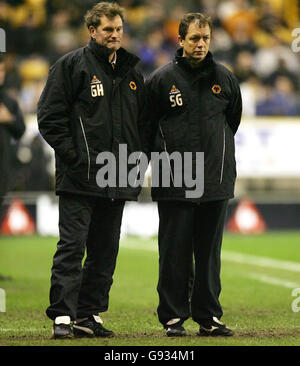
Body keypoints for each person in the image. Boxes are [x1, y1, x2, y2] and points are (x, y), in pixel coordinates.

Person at [37, 2, 146, 339]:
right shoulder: (71, 66)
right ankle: (63, 317)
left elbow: (141, 123)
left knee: (105, 249)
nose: (114, 35)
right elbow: (49, 118)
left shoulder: (131, 72)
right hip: (80, 176)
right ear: (92, 31)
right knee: (72, 246)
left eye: (118, 29)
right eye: (107, 30)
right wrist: (76, 158)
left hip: (118, 176)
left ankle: (88, 314)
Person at [145, 13, 242, 337]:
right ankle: (173, 318)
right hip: (174, 179)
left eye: (205, 39)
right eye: (194, 39)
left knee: (209, 254)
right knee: (174, 253)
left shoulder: (225, 79)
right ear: (181, 40)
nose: (200, 44)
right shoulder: (160, 80)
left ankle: (208, 317)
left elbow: (233, 121)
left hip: (215, 178)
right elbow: (146, 128)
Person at [0, 53, 25, 227]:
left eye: (1, 70)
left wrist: (9, 119)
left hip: (3, 168)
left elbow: (20, 130)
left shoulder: (8, 102)